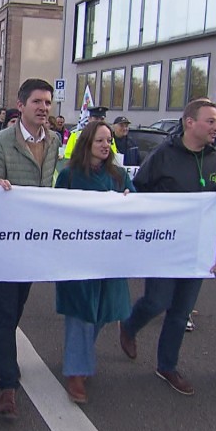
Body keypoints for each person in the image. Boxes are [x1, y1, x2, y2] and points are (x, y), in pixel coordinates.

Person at [119, 99, 216, 396]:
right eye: (210, 121)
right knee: (157, 301)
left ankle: (167, 365)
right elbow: (139, 191)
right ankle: (129, 325)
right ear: (189, 122)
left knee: (181, 310)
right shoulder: (163, 155)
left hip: (197, 249)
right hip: (164, 246)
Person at [0, 78, 61, 419]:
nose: (44, 108)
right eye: (37, 102)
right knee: (3, 312)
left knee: (16, 306)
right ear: (21, 105)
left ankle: (3, 353)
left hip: (34, 244)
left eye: (47, 102)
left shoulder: (55, 141)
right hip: (4, 245)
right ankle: (7, 384)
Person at [55, 122, 134, 403]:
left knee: (102, 311)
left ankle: (80, 355)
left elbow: (138, 207)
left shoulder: (119, 176)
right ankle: (76, 371)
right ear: (87, 143)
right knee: (80, 312)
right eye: (100, 140)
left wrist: (129, 200)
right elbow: (54, 211)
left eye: (108, 140)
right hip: (78, 257)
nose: (105, 145)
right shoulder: (69, 176)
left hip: (110, 256)